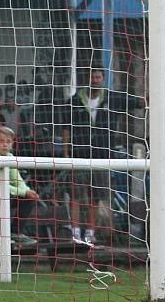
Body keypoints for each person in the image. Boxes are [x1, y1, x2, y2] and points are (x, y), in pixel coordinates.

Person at [60, 67, 141, 244]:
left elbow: (140, 103)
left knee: (95, 196)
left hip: (102, 156)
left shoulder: (113, 98)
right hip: (78, 156)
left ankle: (90, 232)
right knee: (75, 195)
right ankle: (75, 232)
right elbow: (65, 128)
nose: (95, 80)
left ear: (103, 79)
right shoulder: (73, 101)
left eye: (98, 77)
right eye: (92, 76)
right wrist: (66, 154)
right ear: (86, 79)